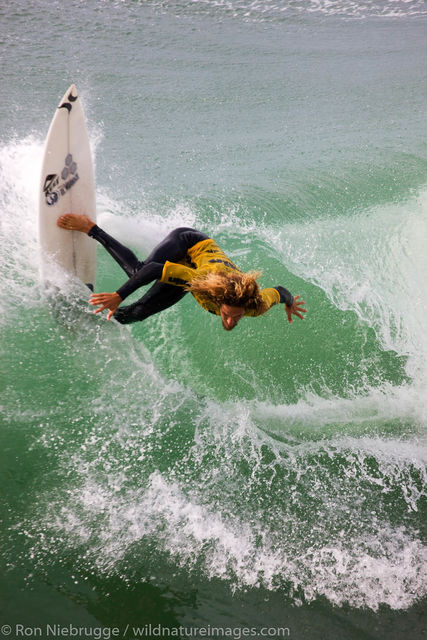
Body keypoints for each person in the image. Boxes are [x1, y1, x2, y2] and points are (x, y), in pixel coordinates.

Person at [57, 214, 307, 331]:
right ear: (220, 302)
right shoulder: (204, 283)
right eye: (230, 315)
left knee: (139, 312)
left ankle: (88, 315)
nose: (230, 321)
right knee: (138, 271)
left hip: (196, 268)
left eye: (236, 317)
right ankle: (91, 228)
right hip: (189, 243)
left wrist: (289, 303)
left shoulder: (256, 305)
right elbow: (155, 270)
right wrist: (118, 295)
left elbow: (280, 292)